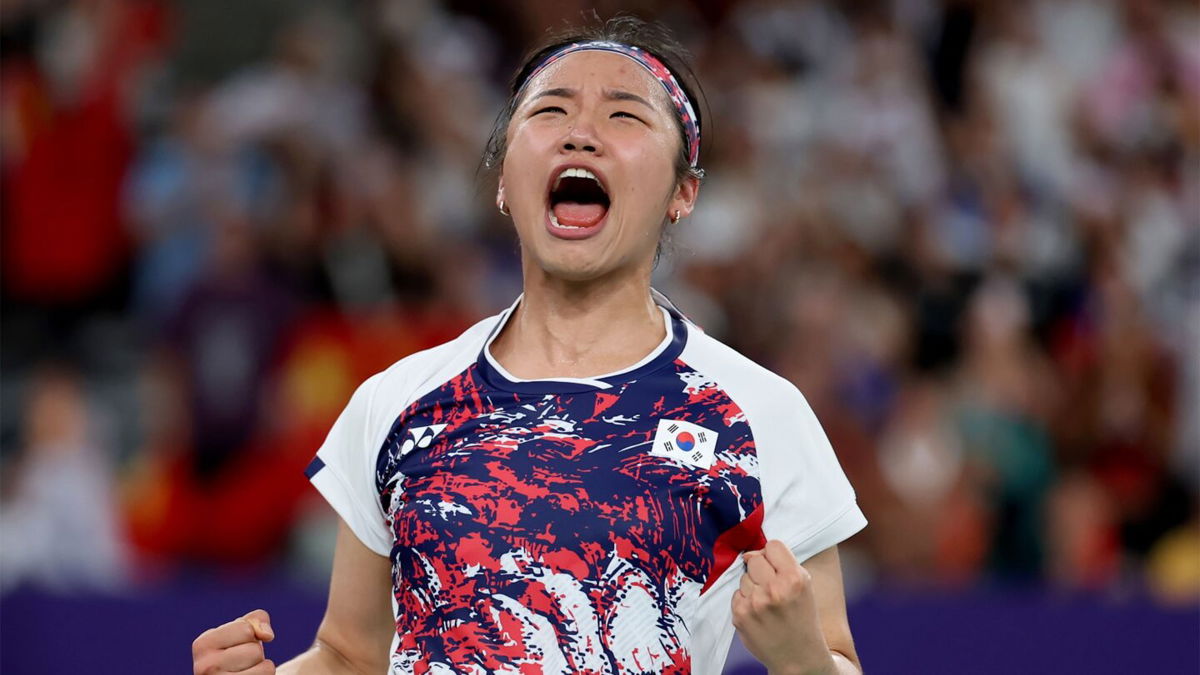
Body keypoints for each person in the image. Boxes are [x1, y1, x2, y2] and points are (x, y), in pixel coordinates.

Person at [193, 16, 866, 675]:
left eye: (624, 116)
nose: (580, 134)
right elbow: (350, 654)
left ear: (681, 193)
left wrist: (802, 659)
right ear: (502, 182)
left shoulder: (757, 413)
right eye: (550, 112)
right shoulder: (397, 401)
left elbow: (834, 656)